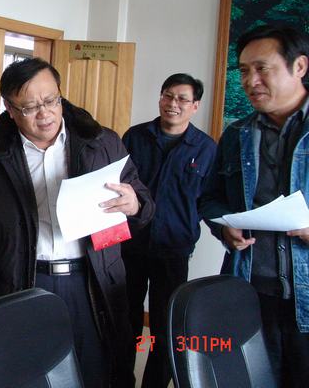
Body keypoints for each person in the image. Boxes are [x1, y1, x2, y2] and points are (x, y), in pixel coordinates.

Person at [0, 57, 155, 388]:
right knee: (27, 374)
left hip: (91, 281)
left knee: (96, 371)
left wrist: (135, 204)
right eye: (30, 107)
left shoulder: (101, 142)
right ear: (10, 108)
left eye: (51, 101)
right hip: (23, 280)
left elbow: (143, 201)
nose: (45, 114)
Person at [199, 24, 309, 387]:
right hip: (250, 291)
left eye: (262, 68)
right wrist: (223, 227)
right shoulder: (237, 134)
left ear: (299, 67)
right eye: (244, 71)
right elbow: (209, 198)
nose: (251, 81)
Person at [121, 73, 216, 388]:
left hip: (173, 250)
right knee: (126, 318)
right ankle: (120, 377)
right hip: (131, 244)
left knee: (165, 325)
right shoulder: (135, 137)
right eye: (167, 95)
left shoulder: (205, 148)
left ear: (195, 106)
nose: (173, 104)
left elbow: (208, 200)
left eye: (182, 99)